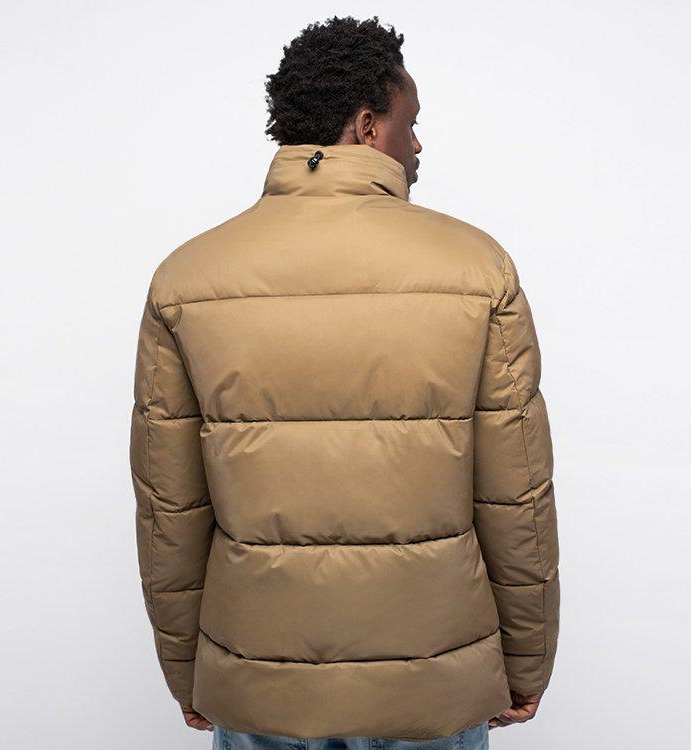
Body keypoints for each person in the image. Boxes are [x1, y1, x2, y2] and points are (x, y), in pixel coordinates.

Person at [129, 15, 561, 750]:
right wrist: (525, 663)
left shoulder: (187, 279)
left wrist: (190, 673)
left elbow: (170, 509)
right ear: (367, 126)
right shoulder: (476, 270)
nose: (417, 146)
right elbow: (515, 497)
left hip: (262, 685)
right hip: (432, 685)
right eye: (410, 124)